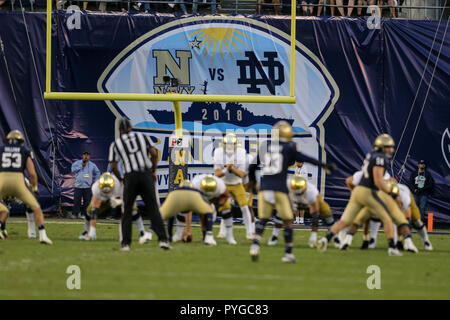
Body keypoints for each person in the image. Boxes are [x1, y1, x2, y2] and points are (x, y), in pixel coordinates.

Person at [248, 120, 336, 263]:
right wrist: (324, 165)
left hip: (264, 187)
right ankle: (288, 254)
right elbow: (306, 158)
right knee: (288, 221)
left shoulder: (266, 145)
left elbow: (252, 167)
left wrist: (253, 183)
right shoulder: (289, 147)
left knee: (263, 219)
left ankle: (255, 247)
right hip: (279, 187)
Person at [317, 134, 418, 256]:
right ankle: (392, 247)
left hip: (358, 191)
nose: (391, 149)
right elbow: (378, 181)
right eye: (388, 147)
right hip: (369, 191)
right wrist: (392, 194)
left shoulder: (372, 155)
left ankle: (325, 239)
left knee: (345, 220)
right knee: (387, 218)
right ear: (382, 147)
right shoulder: (380, 158)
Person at [108, 118, 169, 251]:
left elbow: (113, 166)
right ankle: (163, 240)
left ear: (120, 130)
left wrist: (122, 179)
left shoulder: (116, 144)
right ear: (130, 127)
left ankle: (125, 244)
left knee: (127, 210)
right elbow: (154, 154)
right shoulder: (142, 136)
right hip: (145, 174)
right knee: (153, 208)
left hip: (130, 176)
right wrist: (153, 170)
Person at [0, 130, 52, 244]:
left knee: (2, 209)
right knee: (36, 207)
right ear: (21, 141)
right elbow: (32, 174)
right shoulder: (24, 150)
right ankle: (42, 235)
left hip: (2, 180)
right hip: (18, 181)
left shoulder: (1, 149)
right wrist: (34, 188)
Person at [79, 172, 152, 244]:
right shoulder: (96, 187)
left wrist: (119, 201)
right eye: (105, 191)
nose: (107, 193)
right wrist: (93, 230)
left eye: (108, 191)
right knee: (89, 210)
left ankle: (142, 232)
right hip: (104, 200)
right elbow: (95, 208)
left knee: (133, 209)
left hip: (119, 198)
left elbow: (129, 199)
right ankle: (86, 231)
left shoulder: (120, 185)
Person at [268, 175, 339, 248]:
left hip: (307, 200)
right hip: (292, 200)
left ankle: (335, 237)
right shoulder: (286, 186)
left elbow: (315, 216)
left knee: (326, 212)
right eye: (297, 193)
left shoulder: (311, 192)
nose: (299, 195)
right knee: (280, 212)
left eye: (300, 193)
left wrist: (313, 236)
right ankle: (274, 235)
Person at [160, 175, 230, 246]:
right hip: (197, 198)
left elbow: (226, 195)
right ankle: (178, 234)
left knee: (208, 215)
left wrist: (219, 203)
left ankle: (206, 235)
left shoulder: (220, 186)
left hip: (211, 201)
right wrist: (188, 230)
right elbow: (189, 210)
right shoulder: (195, 185)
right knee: (184, 210)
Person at [214, 133, 254, 240]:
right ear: (224, 144)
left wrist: (231, 169)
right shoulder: (218, 153)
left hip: (237, 183)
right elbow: (217, 173)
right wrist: (226, 170)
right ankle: (222, 232)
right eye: (228, 144)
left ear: (236, 144)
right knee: (225, 207)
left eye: (232, 144)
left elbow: (241, 174)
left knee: (245, 207)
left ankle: (250, 232)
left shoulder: (241, 153)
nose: (230, 146)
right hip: (224, 184)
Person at [71, 151, 100, 220]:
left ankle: (84, 214)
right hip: (78, 186)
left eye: (87, 155)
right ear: (82, 156)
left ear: (89, 157)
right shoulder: (77, 163)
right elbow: (73, 170)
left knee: (87, 201)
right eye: (84, 155)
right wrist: (81, 166)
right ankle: (75, 214)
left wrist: (95, 181)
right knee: (76, 201)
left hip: (87, 186)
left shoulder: (92, 165)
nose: (86, 156)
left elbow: (98, 173)